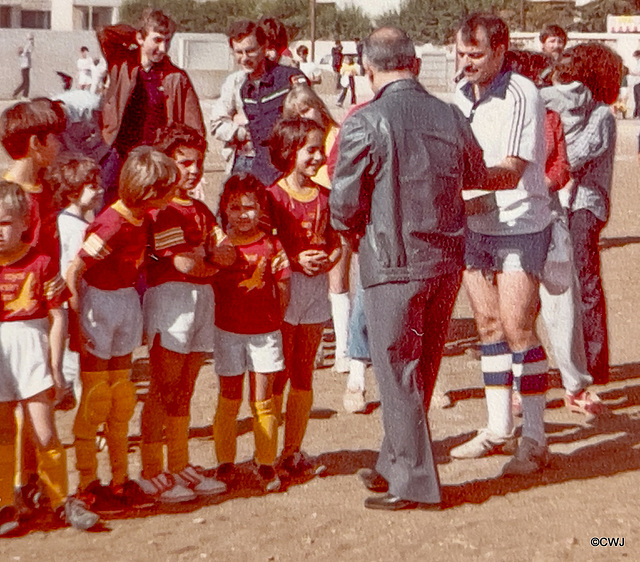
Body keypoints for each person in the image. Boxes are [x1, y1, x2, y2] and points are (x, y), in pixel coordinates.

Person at [331, 26, 486, 510]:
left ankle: (413, 483)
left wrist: (353, 233)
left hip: (392, 263)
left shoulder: (364, 120)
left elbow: (343, 204)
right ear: (415, 64)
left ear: (367, 68)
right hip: (445, 260)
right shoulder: (451, 114)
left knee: (398, 374)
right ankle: (393, 463)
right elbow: (477, 174)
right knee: (420, 369)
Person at [450, 14, 554, 477]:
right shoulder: (458, 91)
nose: (466, 62)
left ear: (500, 50)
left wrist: (449, 188)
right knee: (488, 326)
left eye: (476, 54)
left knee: (518, 327)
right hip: (475, 225)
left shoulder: (522, 92)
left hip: (519, 223)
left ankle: (534, 436)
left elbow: (511, 172)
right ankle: (497, 427)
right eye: (461, 52)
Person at [65, 146, 179, 514]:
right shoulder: (110, 222)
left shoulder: (143, 219)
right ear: (147, 189)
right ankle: (86, 485)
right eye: (164, 191)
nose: (169, 198)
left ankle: (119, 480)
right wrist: (75, 325)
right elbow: (75, 272)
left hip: (126, 303)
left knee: (121, 397)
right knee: (96, 399)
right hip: (100, 305)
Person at [0, 181, 100, 535]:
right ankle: (5, 505)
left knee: (44, 432)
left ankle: (59, 501)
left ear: (25, 222)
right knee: (3, 432)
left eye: (5, 223)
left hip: (32, 350)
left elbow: (58, 316)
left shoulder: (41, 263)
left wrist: (56, 367)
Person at [138, 125, 232, 503]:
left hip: (202, 301)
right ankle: (149, 470)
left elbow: (227, 255)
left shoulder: (202, 209)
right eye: (184, 163)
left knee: (187, 388)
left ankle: (178, 463)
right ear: (167, 164)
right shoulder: (160, 211)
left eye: (199, 162)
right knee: (163, 387)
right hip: (171, 302)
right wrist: (208, 260)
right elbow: (181, 263)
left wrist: (207, 258)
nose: (193, 170)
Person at [544, 43, 622, 389]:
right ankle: (575, 361)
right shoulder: (569, 111)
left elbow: (574, 157)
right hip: (565, 202)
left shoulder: (602, 115)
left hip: (586, 205)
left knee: (584, 282)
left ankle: (594, 361)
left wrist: (554, 139)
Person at [267, 118, 342, 475]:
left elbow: (337, 244)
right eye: (310, 149)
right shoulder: (272, 197)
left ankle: (293, 451)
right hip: (284, 290)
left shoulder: (324, 197)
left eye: (320, 149)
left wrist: (329, 259)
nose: (318, 157)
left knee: (304, 371)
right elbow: (263, 246)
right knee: (278, 371)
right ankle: (266, 454)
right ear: (288, 151)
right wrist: (294, 259)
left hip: (314, 292)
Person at [212, 173, 291, 492]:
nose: (243, 214)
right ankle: (225, 463)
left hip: (265, 333)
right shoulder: (220, 245)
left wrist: (276, 318)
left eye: (249, 207)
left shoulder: (272, 244)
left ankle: (266, 463)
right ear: (224, 209)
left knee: (264, 401)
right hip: (227, 332)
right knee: (228, 398)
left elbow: (284, 284)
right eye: (235, 207)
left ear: (261, 209)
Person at [97, 9, 204, 204]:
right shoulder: (121, 63)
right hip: (118, 156)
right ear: (140, 38)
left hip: (155, 160)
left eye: (168, 41)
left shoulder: (175, 77)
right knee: (111, 213)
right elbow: (105, 33)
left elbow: (194, 130)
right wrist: (140, 32)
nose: (163, 48)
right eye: (157, 40)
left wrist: (196, 171)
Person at [281, 84, 351, 377]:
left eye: (308, 108)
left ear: (319, 106)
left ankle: (345, 349)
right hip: (307, 212)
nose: (306, 116)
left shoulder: (339, 134)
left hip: (335, 210)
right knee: (308, 282)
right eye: (297, 114)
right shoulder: (298, 144)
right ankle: (318, 344)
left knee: (338, 281)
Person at [211, 20, 306, 186]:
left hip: (279, 163)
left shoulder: (287, 79)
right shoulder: (236, 83)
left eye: (250, 51)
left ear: (264, 47)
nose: (244, 58)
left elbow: (307, 121)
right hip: (243, 161)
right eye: (238, 52)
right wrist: (242, 132)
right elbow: (216, 123)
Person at [51, 154, 105, 407]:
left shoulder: (81, 222)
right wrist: (75, 318)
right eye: (92, 186)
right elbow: (69, 273)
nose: (100, 190)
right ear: (73, 193)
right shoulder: (70, 226)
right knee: (77, 372)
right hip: (70, 306)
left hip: (81, 304)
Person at [12, 33, 34, 100]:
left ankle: (18, 93)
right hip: (25, 67)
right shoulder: (26, 50)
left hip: (26, 67)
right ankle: (23, 95)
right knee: (26, 82)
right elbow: (29, 49)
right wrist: (30, 42)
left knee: (25, 82)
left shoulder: (25, 51)